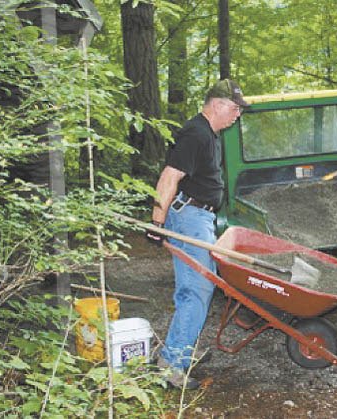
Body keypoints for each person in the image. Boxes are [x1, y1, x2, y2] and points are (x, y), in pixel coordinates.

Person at [146, 79, 248, 388]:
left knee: (195, 288)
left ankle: (175, 352)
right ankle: (172, 367)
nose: (238, 115)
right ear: (216, 105)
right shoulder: (196, 133)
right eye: (235, 108)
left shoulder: (210, 133)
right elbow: (169, 176)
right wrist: (156, 222)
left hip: (199, 215)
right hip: (189, 216)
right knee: (198, 289)